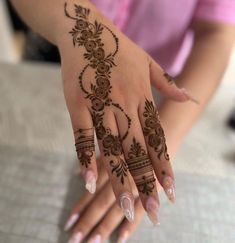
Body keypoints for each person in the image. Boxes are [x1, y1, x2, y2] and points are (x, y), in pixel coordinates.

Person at [10, 0, 235, 243]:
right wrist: (83, 27)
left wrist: (161, 134)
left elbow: (217, 33)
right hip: (53, 57)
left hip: (156, 85)